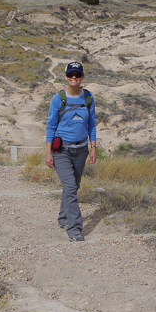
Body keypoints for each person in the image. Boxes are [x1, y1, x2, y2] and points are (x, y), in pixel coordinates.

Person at [45, 61, 98, 242]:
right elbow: (51, 126)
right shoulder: (58, 99)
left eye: (77, 75)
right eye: (70, 75)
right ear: (66, 77)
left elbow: (91, 124)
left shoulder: (88, 97)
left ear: (82, 77)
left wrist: (93, 148)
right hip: (62, 150)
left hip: (81, 149)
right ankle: (74, 228)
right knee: (70, 187)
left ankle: (63, 218)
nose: (73, 78)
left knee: (72, 187)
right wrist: (48, 152)